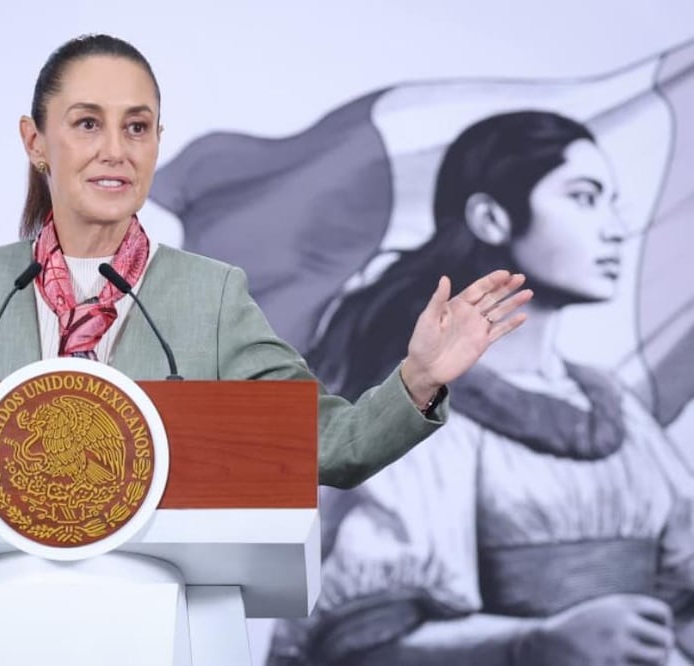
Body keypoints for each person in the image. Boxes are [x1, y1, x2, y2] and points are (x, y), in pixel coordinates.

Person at [0, 34, 531, 544]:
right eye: (87, 124)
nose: (116, 151)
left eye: (138, 127)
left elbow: (326, 445)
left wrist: (416, 379)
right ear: (36, 142)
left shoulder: (211, 295)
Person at [267, 111, 694, 665]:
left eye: (613, 202)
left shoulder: (616, 412)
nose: (614, 227)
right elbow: (364, 641)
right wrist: (537, 643)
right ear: (492, 217)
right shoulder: (428, 413)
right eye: (585, 198)